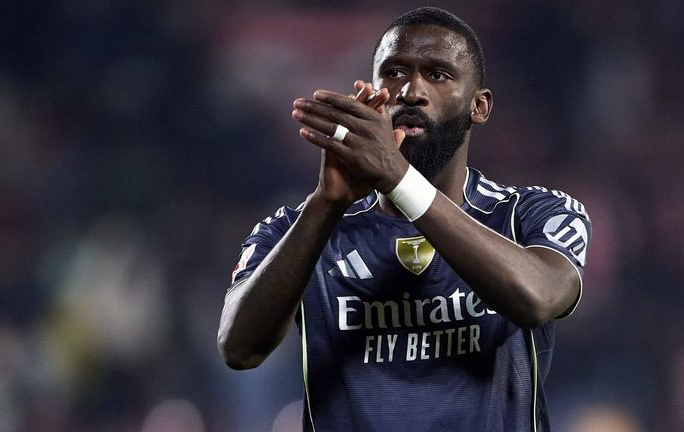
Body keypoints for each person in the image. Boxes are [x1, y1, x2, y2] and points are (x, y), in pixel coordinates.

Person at [218, 6, 591, 432]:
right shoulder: (299, 229)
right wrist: (325, 203)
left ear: (479, 106)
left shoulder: (531, 214)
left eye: (438, 74)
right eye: (394, 72)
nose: (411, 91)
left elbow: (538, 298)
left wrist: (399, 179)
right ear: (372, 92)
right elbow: (239, 348)